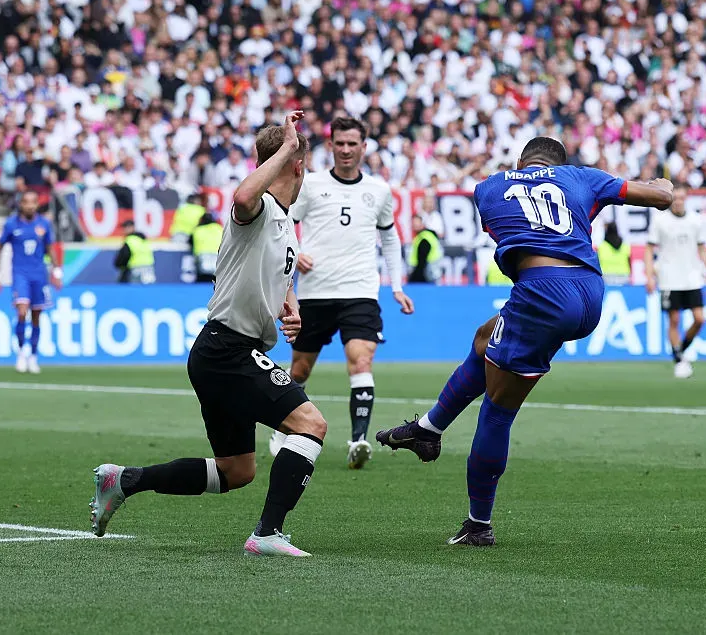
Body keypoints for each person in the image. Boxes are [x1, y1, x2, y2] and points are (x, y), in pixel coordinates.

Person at [376, 137, 674, 546]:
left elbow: (509, 230)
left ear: (521, 161)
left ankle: (478, 525)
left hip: (543, 291)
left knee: (497, 411)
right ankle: (428, 428)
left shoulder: (488, 187)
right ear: (560, 163)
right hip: (589, 292)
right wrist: (662, 185)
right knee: (485, 338)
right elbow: (660, 198)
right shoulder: (581, 177)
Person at [91, 111, 329, 558]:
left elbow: (277, 273)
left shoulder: (282, 220)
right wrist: (286, 148)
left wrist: (290, 305)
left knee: (236, 471)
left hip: (222, 352)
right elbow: (242, 196)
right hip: (229, 349)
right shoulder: (258, 209)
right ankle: (267, 534)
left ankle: (124, 480)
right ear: (297, 165)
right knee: (311, 424)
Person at [268, 117, 414, 470]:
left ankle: (358, 441)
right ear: (331, 146)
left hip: (360, 290)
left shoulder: (379, 190)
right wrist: (295, 251)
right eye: (340, 143)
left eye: (352, 143)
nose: (346, 150)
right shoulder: (312, 184)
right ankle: (283, 427)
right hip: (315, 292)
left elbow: (390, 237)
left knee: (361, 360)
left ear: (364, 147)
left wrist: (396, 286)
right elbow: (283, 221)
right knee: (300, 368)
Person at [644, 186, 706, 379]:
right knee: (674, 320)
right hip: (669, 277)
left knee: (699, 319)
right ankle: (679, 360)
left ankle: (680, 351)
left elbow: (702, 249)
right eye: (674, 198)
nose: (677, 202)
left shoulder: (695, 220)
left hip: (692, 276)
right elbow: (649, 249)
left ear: (686, 199)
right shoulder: (660, 221)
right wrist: (649, 276)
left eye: (681, 198)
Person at [0, 190, 62, 374]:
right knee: (22, 312)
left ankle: (34, 356)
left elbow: (50, 248)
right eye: (26, 202)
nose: (30, 206)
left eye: (33, 202)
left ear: (37, 204)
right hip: (20, 274)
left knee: (37, 315)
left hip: (39, 275)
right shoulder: (11, 224)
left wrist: (56, 271)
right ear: (21, 204)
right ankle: (22, 352)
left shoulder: (43, 224)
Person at [114, 219, 155, 284]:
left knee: (135, 289)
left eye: (125, 227)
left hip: (136, 269)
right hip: (149, 268)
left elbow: (124, 256)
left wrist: (118, 264)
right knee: (149, 288)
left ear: (132, 227)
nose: (124, 230)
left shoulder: (129, 240)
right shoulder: (143, 239)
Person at [407, 213, 443, 283]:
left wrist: (414, 277)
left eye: (417, 222)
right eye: (413, 223)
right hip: (432, 272)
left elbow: (422, 261)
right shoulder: (425, 235)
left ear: (422, 223)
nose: (414, 225)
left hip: (427, 274)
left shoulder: (424, 237)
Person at [191, 211, 224, 283]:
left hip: (202, 257)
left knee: (202, 281)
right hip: (217, 257)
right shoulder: (219, 228)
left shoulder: (197, 230)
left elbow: (190, 242)